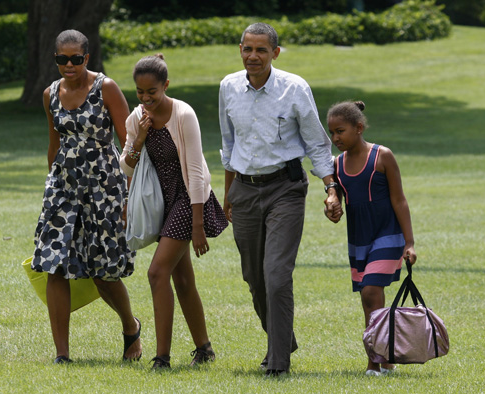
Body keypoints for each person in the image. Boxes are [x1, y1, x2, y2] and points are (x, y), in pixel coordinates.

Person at [219, 22, 342, 377]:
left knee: (276, 275)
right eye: (247, 49)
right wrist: (228, 194)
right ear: (240, 50)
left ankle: (278, 364)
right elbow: (229, 145)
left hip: (284, 190)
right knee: (254, 277)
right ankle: (281, 339)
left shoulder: (294, 88)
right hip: (243, 190)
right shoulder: (228, 87)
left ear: (275, 53)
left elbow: (317, 144)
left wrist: (330, 188)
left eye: (261, 50)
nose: (252, 56)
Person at [32, 29, 142, 364]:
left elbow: (129, 142)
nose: (69, 65)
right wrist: (51, 188)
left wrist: (128, 195)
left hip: (104, 188)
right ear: (55, 59)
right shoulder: (50, 93)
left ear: (87, 58)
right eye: (61, 59)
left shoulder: (105, 88)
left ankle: (130, 328)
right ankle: (62, 354)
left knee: (103, 271)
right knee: (55, 265)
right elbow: (54, 145)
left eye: (75, 59)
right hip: (63, 188)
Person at [120, 54, 228, 369]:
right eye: (140, 92)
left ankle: (162, 357)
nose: (145, 99)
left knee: (156, 273)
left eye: (151, 91)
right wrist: (139, 138)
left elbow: (196, 172)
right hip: (162, 202)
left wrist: (197, 225)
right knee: (181, 278)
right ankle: (204, 349)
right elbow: (125, 167)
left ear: (166, 85)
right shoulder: (137, 117)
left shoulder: (184, 114)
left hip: (189, 198)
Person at [326, 100, 417, 376]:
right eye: (332, 133)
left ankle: (374, 361)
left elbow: (399, 200)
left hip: (388, 235)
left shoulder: (382, 156)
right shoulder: (337, 164)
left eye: (340, 131)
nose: (335, 138)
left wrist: (410, 242)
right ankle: (387, 359)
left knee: (370, 292)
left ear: (359, 127)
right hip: (359, 240)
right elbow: (336, 199)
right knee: (371, 300)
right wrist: (332, 207)